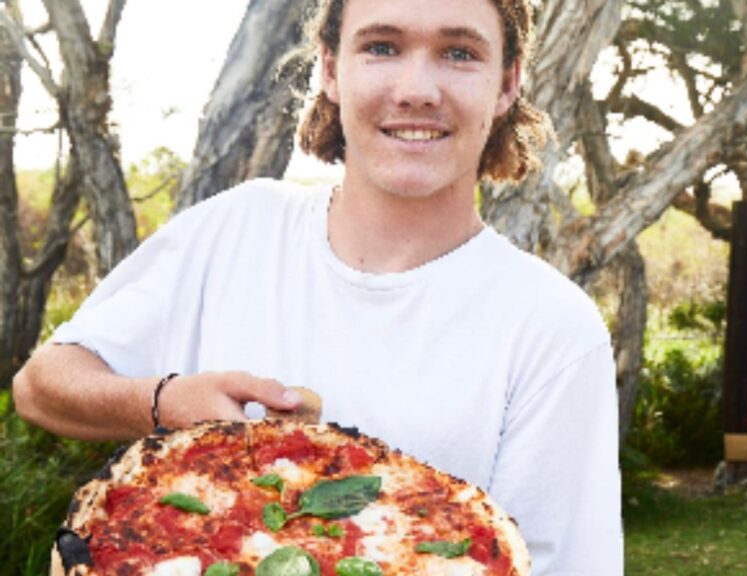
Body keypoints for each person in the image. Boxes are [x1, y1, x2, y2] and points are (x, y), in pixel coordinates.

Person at [13, 0, 623, 573]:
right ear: (330, 69)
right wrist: (166, 403)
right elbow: (40, 386)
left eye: (459, 53)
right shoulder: (236, 228)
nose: (416, 90)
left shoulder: (553, 328)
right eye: (382, 47)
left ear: (508, 83)